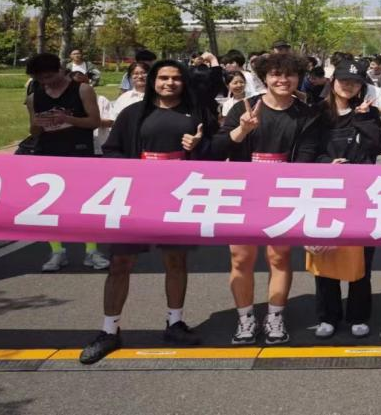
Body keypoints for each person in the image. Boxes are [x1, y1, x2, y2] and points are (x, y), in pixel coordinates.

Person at [79, 59, 214, 365]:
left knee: (176, 261)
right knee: (120, 263)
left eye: (176, 78)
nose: (170, 83)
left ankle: (175, 322)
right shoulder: (133, 113)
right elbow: (111, 150)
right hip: (136, 199)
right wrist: (135, 172)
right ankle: (109, 330)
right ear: (153, 81)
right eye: (163, 77)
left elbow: (215, 154)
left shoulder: (197, 114)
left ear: (184, 82)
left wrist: (197, 145)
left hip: (179, 199)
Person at [209, 52, 322, 345]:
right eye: (275, 74)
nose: (283, 80)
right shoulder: (243, 108)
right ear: (264, 78)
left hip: (284, 193)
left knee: (279, 256)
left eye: (289, 74)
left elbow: (307, 157)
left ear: (299, 78)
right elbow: (217, 150)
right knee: (240, 257)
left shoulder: (307, 114)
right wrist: (243, 129)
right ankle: (245, 317)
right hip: (243, 193)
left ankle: (275, 316)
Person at [312, 58, 381, 338]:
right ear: (333, 82)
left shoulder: (368, 112)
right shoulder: (318, 112)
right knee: (325, 256)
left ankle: (358, 314)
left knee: (361, 258)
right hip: (326, 193)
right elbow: (306, 151)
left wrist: (364, 120)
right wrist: (326, 164)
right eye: (344, 80)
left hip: (361, 194)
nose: (349, 86)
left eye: (356, 82)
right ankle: (328, 316)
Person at [23, 53, 107, 272]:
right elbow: (34, 130)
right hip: (48, 153)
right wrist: (38, 124)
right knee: (50, 206)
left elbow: (94, 122)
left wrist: (67, 119)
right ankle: (57, 251)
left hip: (78, 152)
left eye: (49, 76)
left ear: (60, 69)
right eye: (40, 79)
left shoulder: (82, 90)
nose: (46, 82)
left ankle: (91, 251)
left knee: (84, 203)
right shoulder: (34, 97)